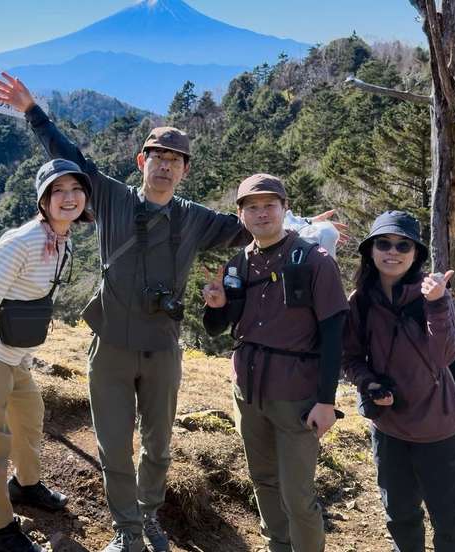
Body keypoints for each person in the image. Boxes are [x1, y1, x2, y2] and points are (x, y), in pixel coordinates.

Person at [0, 73, 344, 552]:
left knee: (157, 445)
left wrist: (301, 222)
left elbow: (254, 224)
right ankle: (127, 531)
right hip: (111, 348)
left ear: (184, 171)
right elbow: (71, 157)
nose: (164, 167)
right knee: (114, 446)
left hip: (162, 349)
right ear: (142, 162)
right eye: (157, 157)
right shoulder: (112, 198)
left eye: (174, 161)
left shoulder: (195, 218)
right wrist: (33, 111)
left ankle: (149, 517)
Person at [0, 158, 93, 552]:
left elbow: (31, 307)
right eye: (58, 190)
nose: (69, 197)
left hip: (14, 354)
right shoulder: (22, 242)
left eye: (76, 189)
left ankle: (25, 485)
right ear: (43, 200)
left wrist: (26, 356)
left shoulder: (61, 241)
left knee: (30, 417)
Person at [201, 174, 349, 552]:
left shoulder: (314, 261)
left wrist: (326, 401)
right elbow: (218, 327)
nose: (262, 213)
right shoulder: (238, 264)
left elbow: (334, 334)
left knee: (298, 494)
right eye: (252, 207)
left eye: (270, 205)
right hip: (248, 393)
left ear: (285, 209)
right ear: (241, 215)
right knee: (263, 481)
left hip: (296, 394)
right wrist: (215, 306)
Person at [342, 210, 455, 552]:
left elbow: (445, 356)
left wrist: (437, 303)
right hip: (389, 429)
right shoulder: (361, 301)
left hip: (439, 429)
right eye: (384, 243)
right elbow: (351, 358)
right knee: (400, 518)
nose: (393, 251)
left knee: (451, 525)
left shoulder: (432, 294)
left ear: (416, 254)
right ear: (370, 250)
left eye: (403, 245)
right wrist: (370, 384)